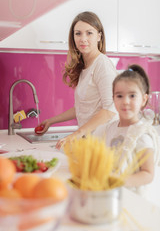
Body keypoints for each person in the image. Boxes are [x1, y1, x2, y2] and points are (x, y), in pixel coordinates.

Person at [37, 11, 118, 149]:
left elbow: (110, 110)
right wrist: (51, 121)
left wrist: (77, 134)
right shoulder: (86, 66)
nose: (83, 39)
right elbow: (81, 108)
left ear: (99, 36)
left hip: (105, 143)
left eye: (89, 33)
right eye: (78, 33)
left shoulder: (102, 64)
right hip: (90, 142)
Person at [93, 64, 160, 199]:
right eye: (119, 96)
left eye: (132, 95)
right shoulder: (109, 128)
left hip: (133, 198)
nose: (125, 101)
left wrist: (119, 180)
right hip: (112, 195)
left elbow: (147, 174)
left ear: (144, 99)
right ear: (113, 98)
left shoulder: (142, 134)